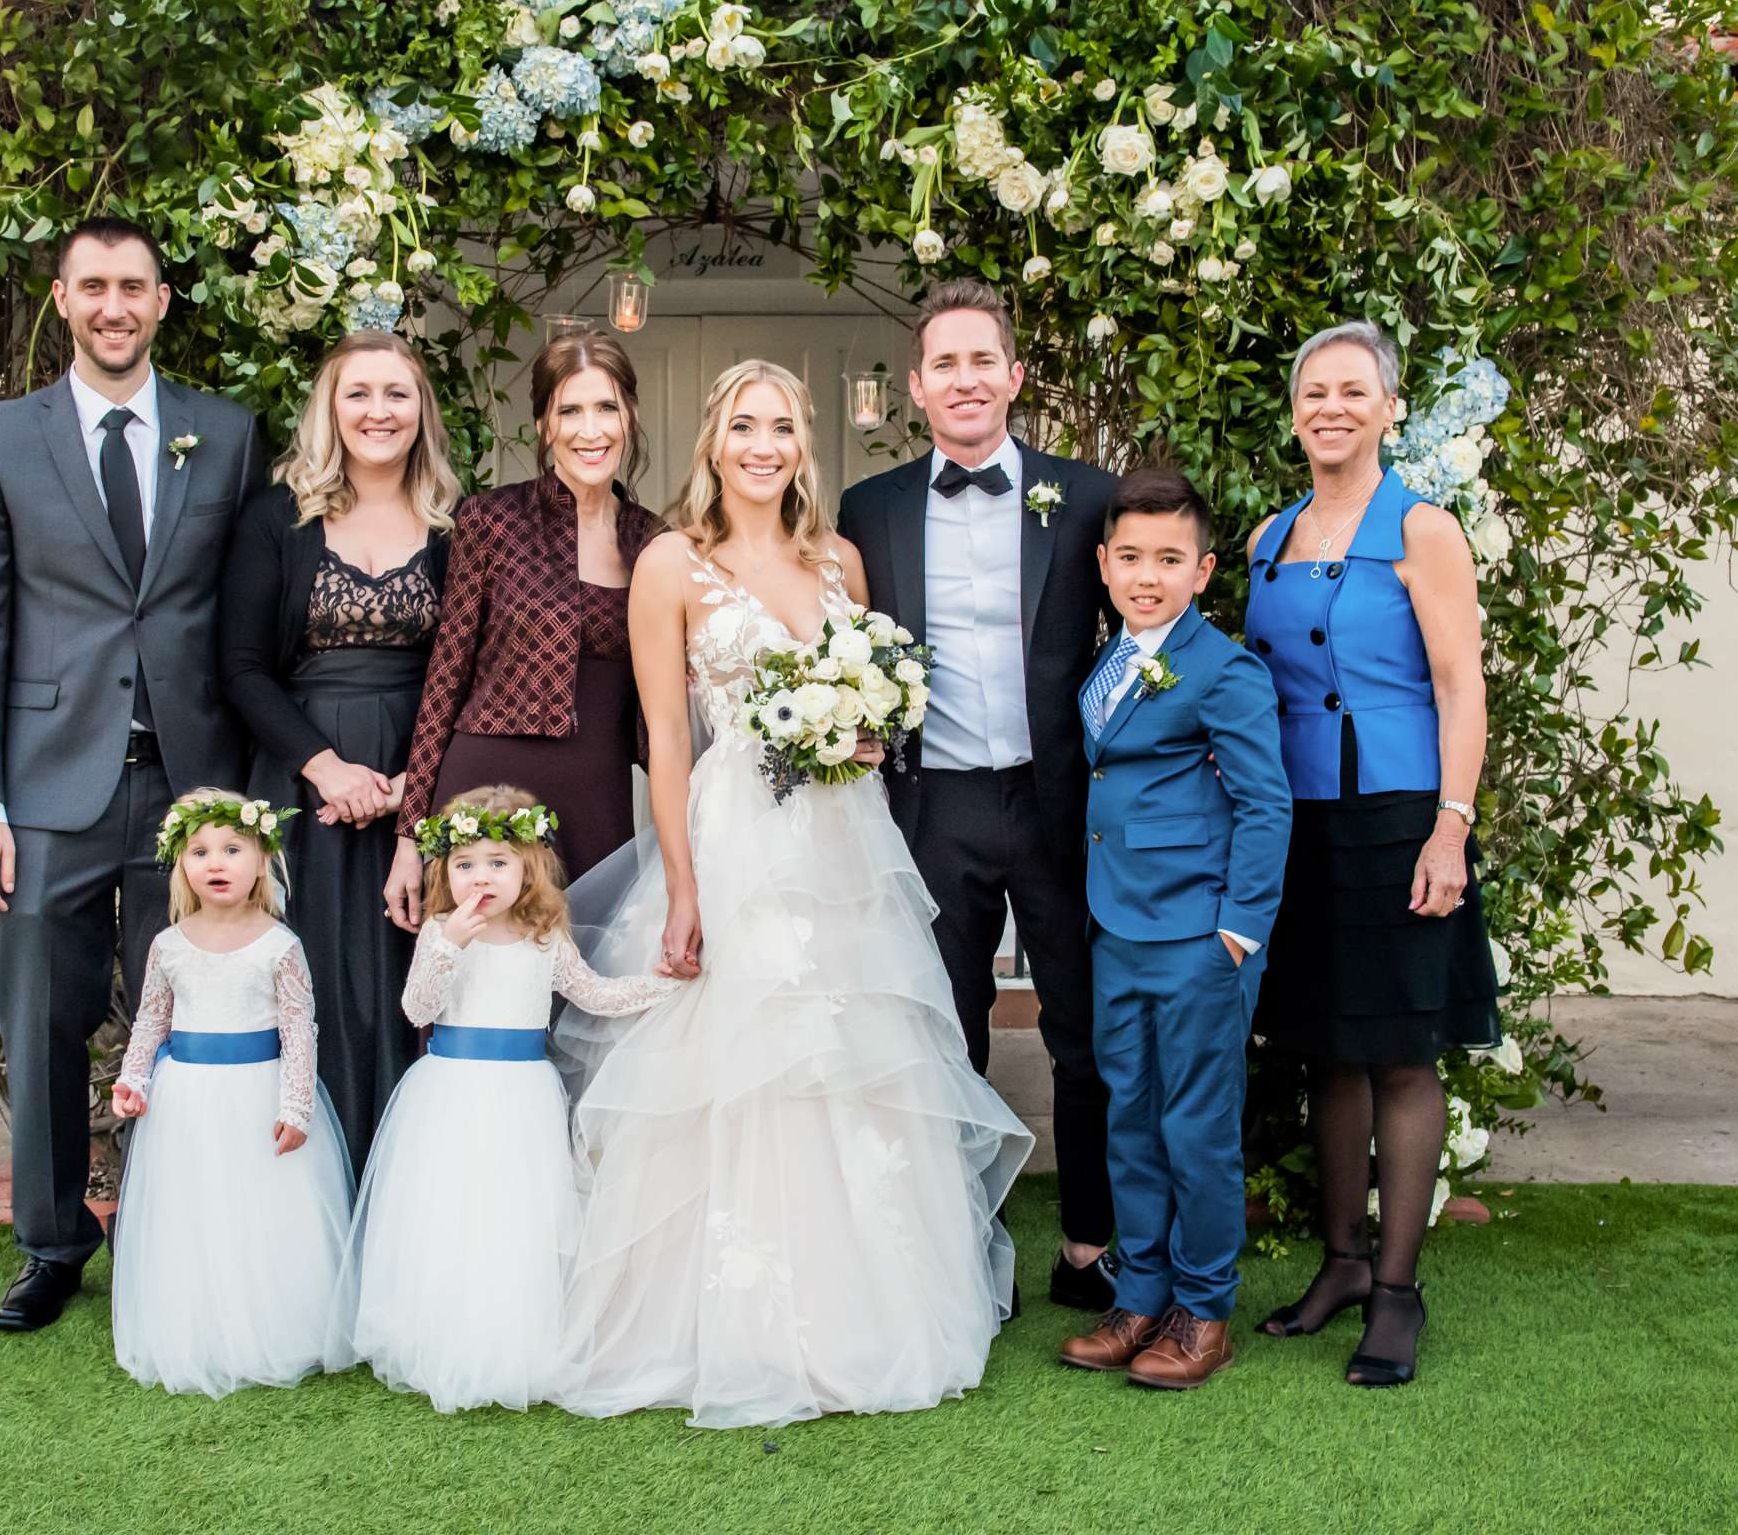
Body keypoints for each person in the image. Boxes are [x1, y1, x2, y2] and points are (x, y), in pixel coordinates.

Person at [553, 360, 1033, 1429]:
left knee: (849, 1059)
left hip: (838, 839)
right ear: (713, 444)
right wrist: (681, 886)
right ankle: (722, 1323)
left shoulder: (841, 562)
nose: (762, 446)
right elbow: (666, 742)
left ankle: (863, 1311)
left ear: (801, 445)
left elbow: (870, 705)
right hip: (730, 837)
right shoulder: (671, 564)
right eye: (742, 427)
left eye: (780, 428)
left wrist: (863, 732)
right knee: (733, 1054)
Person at [0, 217, 265, 1334]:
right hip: (45, 792)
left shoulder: (224, 435)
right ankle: (51, 1243)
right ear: (64, 300)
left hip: (192, 790)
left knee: (184, 1017)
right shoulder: (0, 438)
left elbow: (245, 615)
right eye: (94, 287)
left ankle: (166, 1231)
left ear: (164, 300)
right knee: (43, 1020)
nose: (115, 305)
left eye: (134, 286)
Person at [837, 279, 1122, 1313]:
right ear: (917, 386)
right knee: (944, 1030)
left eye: (980, 359)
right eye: (943, 363)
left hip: (1060, 803)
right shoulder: (867, 510)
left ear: (1014, 375)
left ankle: (1090, 1243)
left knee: (1082, 1031)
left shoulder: (1087, 497)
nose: (964, 379)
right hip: (934, 805)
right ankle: (963, 1242)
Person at [1242, 320, 1502, 1388]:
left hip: (1399, 814)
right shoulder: (1269, 535)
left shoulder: (1423, 528)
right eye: (1315, 392)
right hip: (1295, 820)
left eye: (1354, 390)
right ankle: (1341, 1265)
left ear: (1390, 409)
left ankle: (1398, 1291)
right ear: (1296, 411)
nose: (1331, 408)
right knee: (1323, 1048)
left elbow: (1461, 683)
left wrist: (1453, 822)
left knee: (1400, 1051)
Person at [332, 787, 683, 1414]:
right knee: (451, 1211)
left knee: (516, 1214)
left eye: (497, 862)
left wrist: (660, 990)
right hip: (451, 1093)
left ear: (529, 867)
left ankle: (513, 1336)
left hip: (522, 1095)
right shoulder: (441, 930)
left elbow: (593, 995)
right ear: (444, 870)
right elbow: (418, 1009)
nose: (480, 877)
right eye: (464, 864)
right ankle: (441, 1333)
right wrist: (449, 945)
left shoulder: (544, 936)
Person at [1055, 470, 1291, 1391]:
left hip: (1199, 935)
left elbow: (1267, 804)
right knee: (1133, 1120)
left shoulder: (1225, 670)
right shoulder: (1108, 660)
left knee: (1196, 1126)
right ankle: (1142, 1292)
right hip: (1117, 927)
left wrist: (1238, 930)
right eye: (1130, 557)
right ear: (1103, 564)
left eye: (1168, 559)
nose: (1146, 575)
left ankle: (1205, 1308)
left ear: (1203, 570)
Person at [219, 331, 456, 1170]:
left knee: (403, 987)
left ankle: (401, 1199)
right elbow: (241, 667)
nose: (378, 412)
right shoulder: (277, 515)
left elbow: (464, 667)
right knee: (314, 986)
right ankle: (311, 1192)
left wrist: (410, 789)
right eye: (358, 393)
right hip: (303, 784)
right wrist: (325, 765)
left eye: (397, 394)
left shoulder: (453, 523)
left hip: (416, 775)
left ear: (421, 410)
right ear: (330, 408)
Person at [384, 330, 664, 924]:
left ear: (630, 417)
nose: (591, 430)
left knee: (592, 987)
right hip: (484, 787)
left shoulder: (654, 542)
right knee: (476, 987)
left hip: (597, 796)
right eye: (570, 411)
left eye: (607, 408)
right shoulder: (492, 520)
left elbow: (664, 705)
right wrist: (410, 837)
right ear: (543, 425)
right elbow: (445, 679)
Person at [109, 790, 353, 1397]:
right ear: (180, 864)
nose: (216, 862)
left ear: (262, 859)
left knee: (259, 1211)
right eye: (199, 851)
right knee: (196, 1212)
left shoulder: (279, 945)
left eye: (232, 849)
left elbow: (300, 1031)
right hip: (186, 1101)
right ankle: (199, 1329)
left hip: (259, 1097)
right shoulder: (168, 944)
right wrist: (133, 1079)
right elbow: (150, 1022)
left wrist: (296, 1105)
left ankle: (273, 1327)